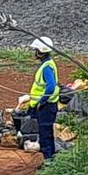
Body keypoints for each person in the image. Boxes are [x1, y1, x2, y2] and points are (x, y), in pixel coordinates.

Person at [22, 37, 60, 167]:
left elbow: (50, 86)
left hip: (46, 106)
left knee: (45, 134)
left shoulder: (46, 67)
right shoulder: (48, 64)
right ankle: (50, 160)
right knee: (46, 133)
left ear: (40, 51)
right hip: (48, 104)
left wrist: (41, 101)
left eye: (36, 50)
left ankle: (49, 162)